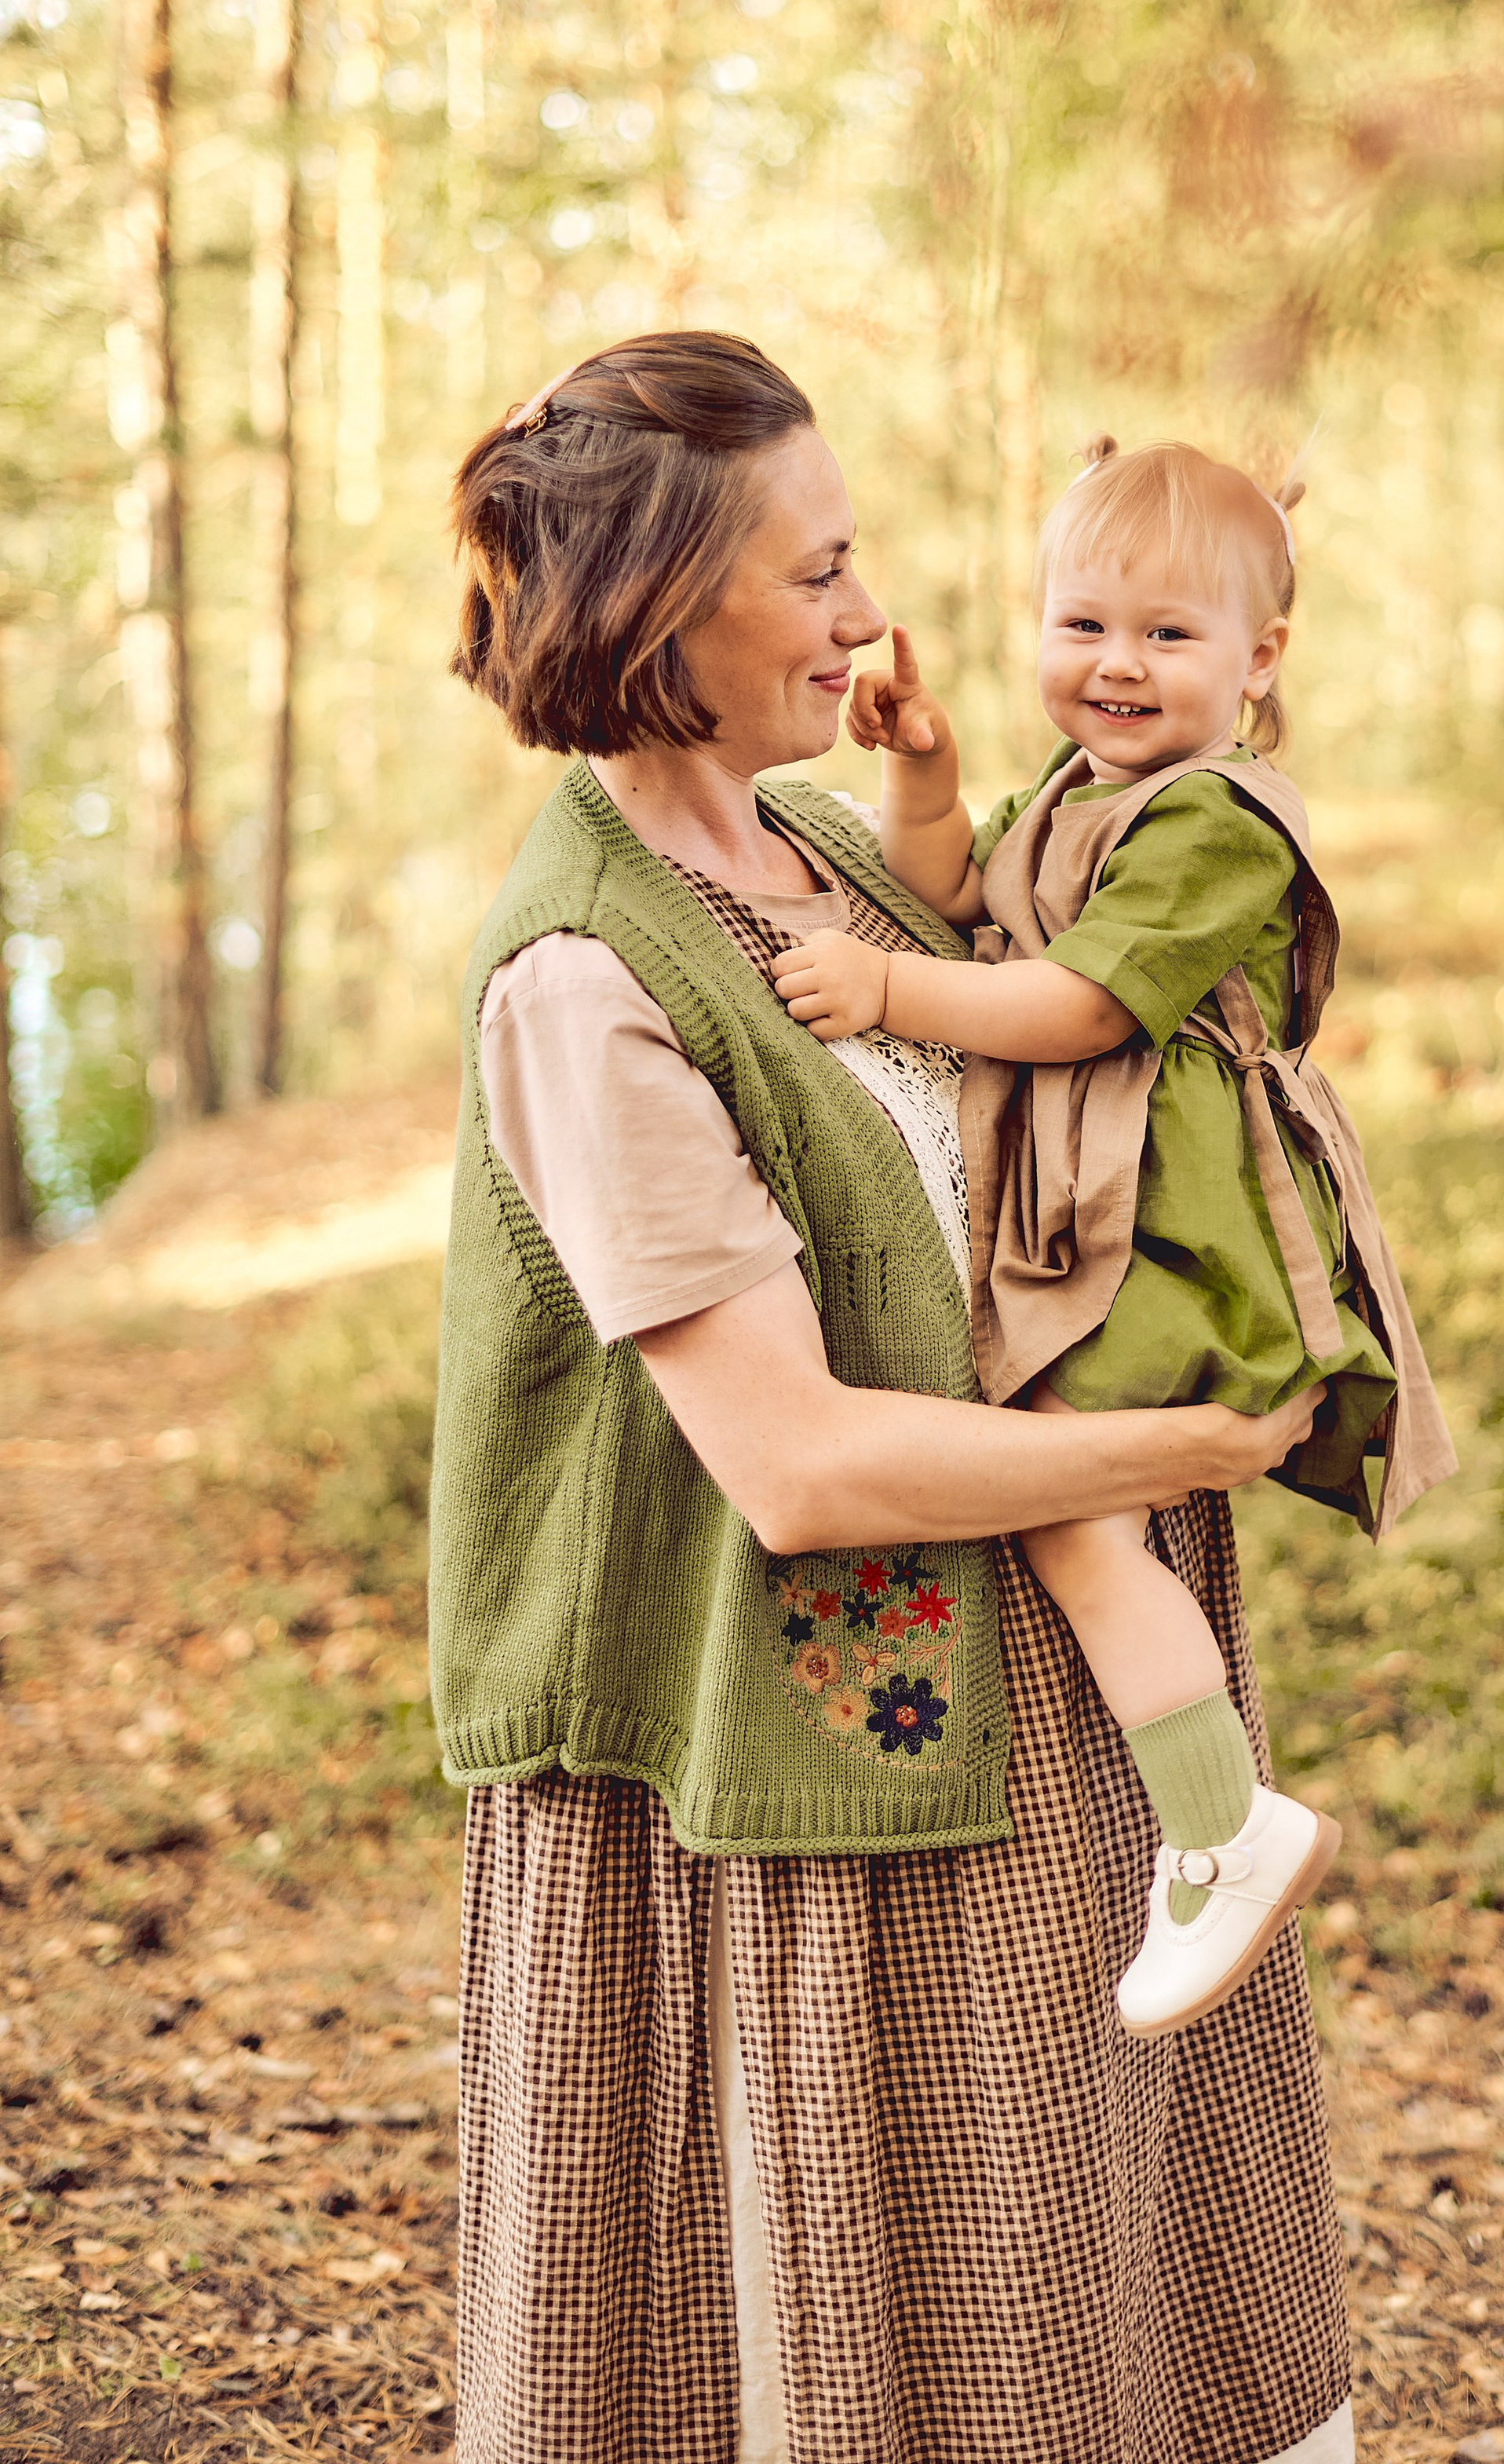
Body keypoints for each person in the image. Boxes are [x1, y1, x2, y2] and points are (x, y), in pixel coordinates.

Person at [433, 335, 1367, 2463]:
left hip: (1018, 1701)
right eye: (821, 573)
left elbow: (1040, 993)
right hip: (792, 1759)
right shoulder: (589, 984)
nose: (871, 618)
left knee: (1096, 2276)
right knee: (878, 2338)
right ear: (663, 617)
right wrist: (1191, 1447)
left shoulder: (826, 856)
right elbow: (799, 1464)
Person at [772, 434, 1456, 2039]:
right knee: (1062, 1499)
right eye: (1081, 625)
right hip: (1089, 1209)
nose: (1117, 665)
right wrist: (923, 781)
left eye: (1166, 633)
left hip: (1181, 1230)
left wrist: (886, 996)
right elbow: (961, 898)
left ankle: (1223, 1827)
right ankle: (1197, 1812)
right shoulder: (1076, 792)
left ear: (1257, 659)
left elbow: (1076, 1003)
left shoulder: (1218, 820)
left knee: (1066, 1502)